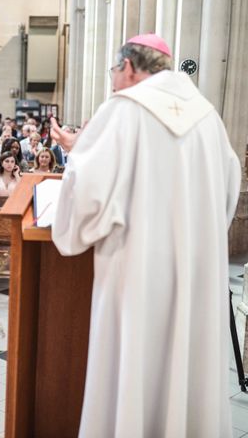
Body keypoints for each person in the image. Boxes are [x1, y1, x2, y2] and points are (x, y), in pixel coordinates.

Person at [51, 34, 240, 437]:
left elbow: (87, 194)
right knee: (186, 374)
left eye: (113, 73)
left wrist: (75, 158)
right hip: (194, 277)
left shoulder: (123, 110)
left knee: (133, 371)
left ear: (130, 68)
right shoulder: (208, 117)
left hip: (134, 275)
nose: (113, 83)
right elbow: (227, 192)